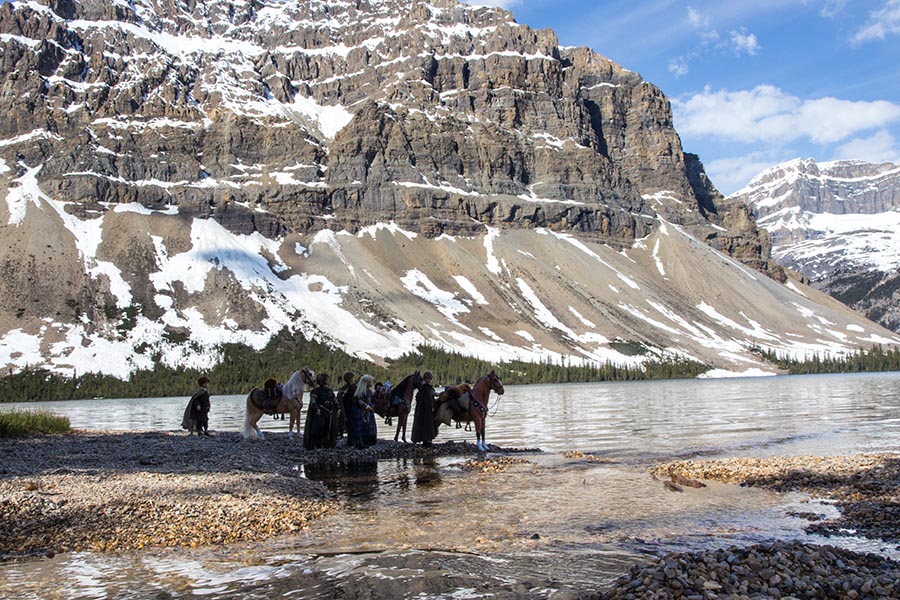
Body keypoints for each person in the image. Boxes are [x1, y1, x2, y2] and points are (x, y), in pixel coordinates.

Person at [304, 373, 340, 449]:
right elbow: (313, 401)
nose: (328, 381)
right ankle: (315, 444)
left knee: (328, 428)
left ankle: (327, 443)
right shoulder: (316, 390)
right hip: (320, 411)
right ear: (322, 381)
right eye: (327, 380)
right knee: (318, 428)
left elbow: (334, 400)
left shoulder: (330, 390)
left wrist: (338, 408)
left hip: (329, 412)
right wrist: (316, 408)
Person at [348, 374, 377, 449]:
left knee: (368, 427)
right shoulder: (360, 392)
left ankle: (367, 441)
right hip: (360, 412)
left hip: (368, 412)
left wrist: (372, 406)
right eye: (370, 382)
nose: (371, 383)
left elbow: (372, 400)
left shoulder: (370, 392)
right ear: (366, 383)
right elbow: (359, 401)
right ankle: (359, 442)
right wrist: (366, 406)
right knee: (360, 427)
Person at [411, 370, 437, 446]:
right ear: (425, 379)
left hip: (421, 410)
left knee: (422, 424)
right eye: (428, 379)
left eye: (430, 379)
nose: (429, 380)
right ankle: (427, 440)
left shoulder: (422, 388)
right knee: (427, 425)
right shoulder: (427, 388)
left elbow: (418, 397)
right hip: (427, 410)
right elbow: (430, 397)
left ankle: (423, 439)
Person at [336, 371, 355, 440]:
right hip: (349, 408)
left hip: (344, 407)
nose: (354, 379)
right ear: (351, 379)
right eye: (353, 378)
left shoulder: (343, 388)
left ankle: (340, 435)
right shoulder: (351, 388)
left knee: (342, 422)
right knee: (349, 423)